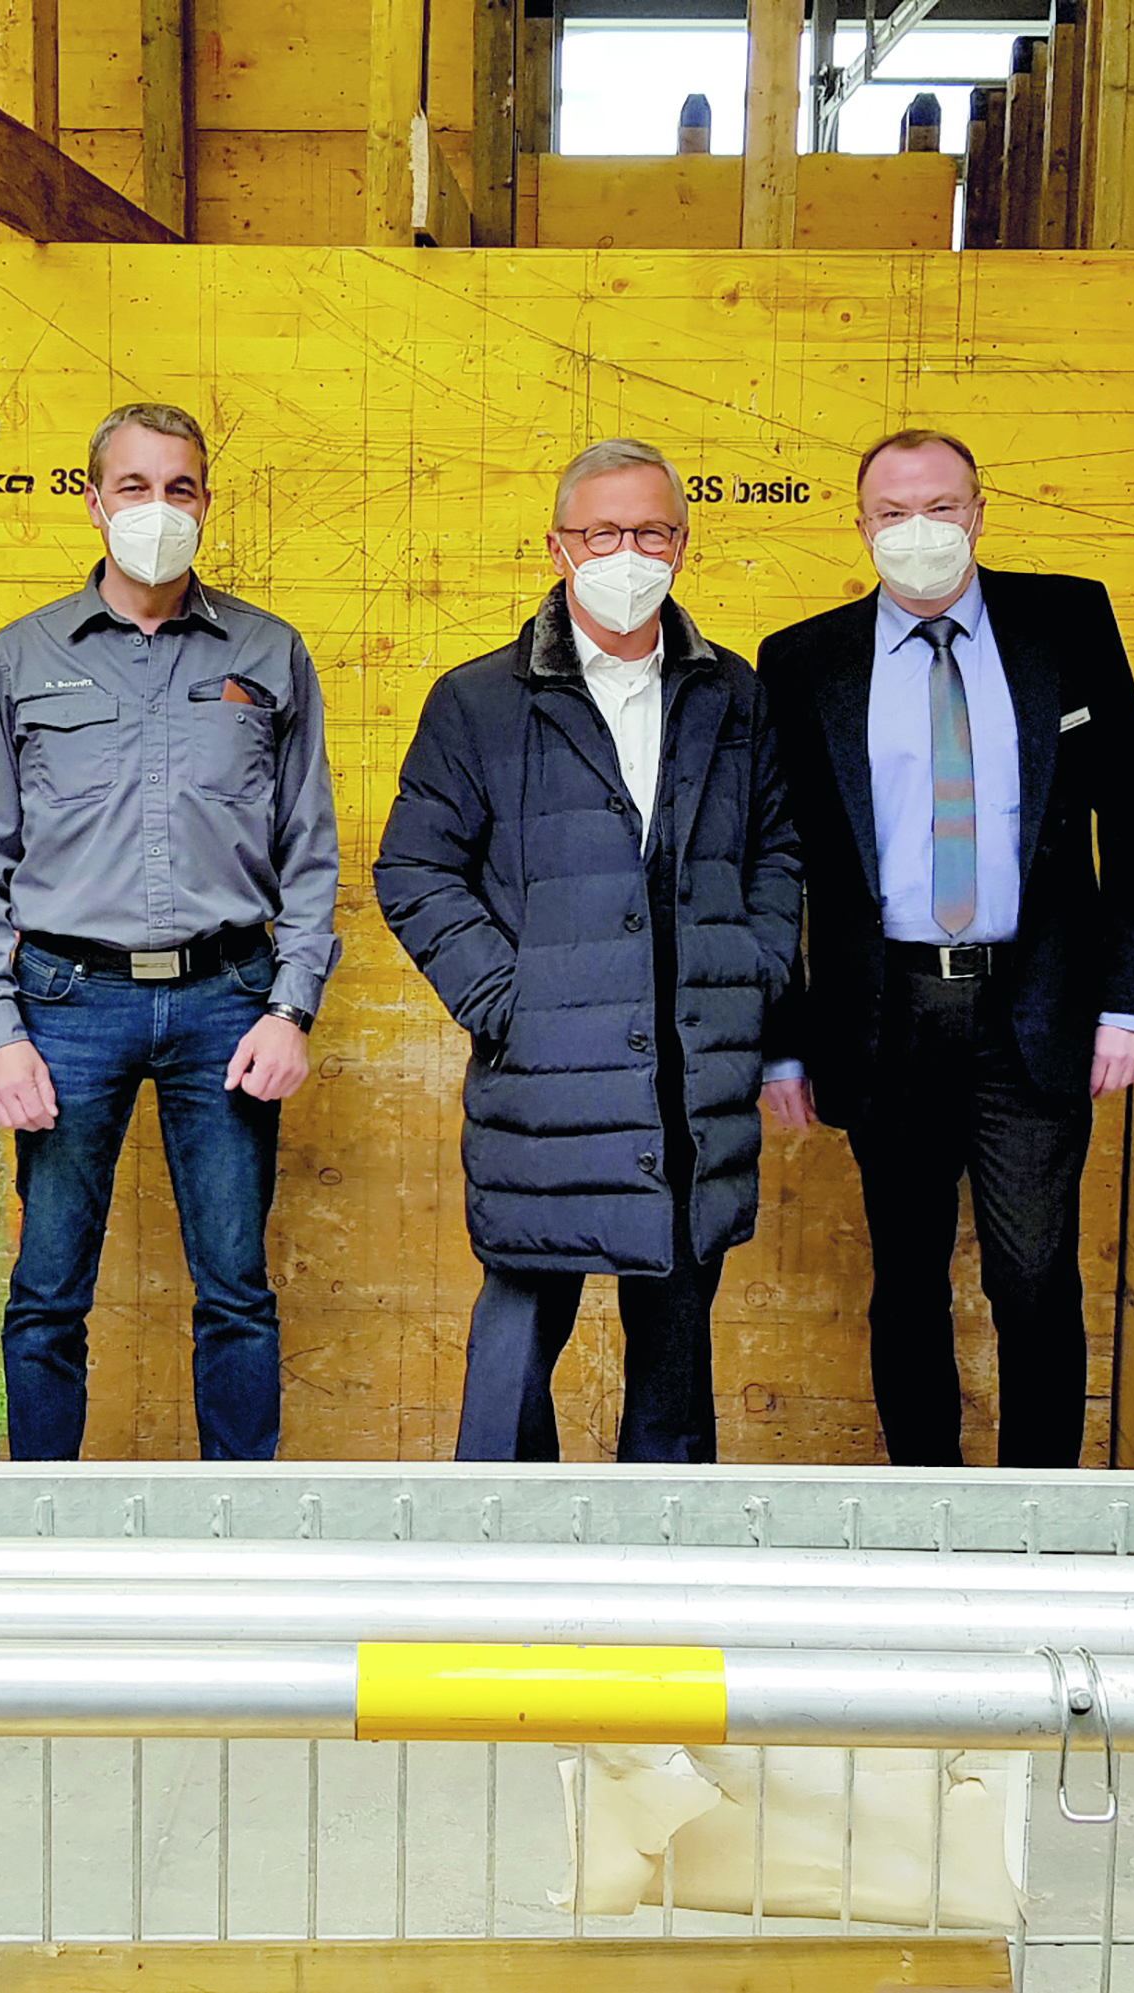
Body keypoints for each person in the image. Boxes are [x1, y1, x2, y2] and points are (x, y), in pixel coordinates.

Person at [378, 439, 803, 1462]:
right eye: (604, 532)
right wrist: (505, 998)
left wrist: (751, 975)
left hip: (688, 1074)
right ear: (560, 547)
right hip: (546, 1084)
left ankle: (663, 1565)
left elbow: (777, 849)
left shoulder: (733, 698)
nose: (628, 551)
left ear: (683, 545)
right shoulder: (479, 700)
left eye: (651, 530)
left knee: (674, 1347)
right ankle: (495, 1550)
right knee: (518, 1338)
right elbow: (414, 869)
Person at [755, 429, 1134, 1470]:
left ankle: (1042, 1510)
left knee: (1034, 1276)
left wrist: (1131, 1002)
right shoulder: (803, 661)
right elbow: (777, 862)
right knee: (906, 1277)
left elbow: (1131, 814)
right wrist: (782, 1040)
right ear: (861, 528)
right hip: (884, 1014)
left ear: (979, 513)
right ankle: (924, 1506)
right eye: (893, 513)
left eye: (940, 507)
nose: (919, 531)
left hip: (1032, 1008)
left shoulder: (1066, 621)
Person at [0, 403, 339, 1461]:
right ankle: (42, 1542)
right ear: (93, 502)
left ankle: (239, 1530)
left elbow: (310, 850)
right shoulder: (20, 659)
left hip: (230, 1003)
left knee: (237, 1291)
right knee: (46, 1294)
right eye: (134, 486)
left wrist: (292, 1004)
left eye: (180, 488)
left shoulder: (269, 651)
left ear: (206, 503)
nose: (157, 509)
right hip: (67, 1007)